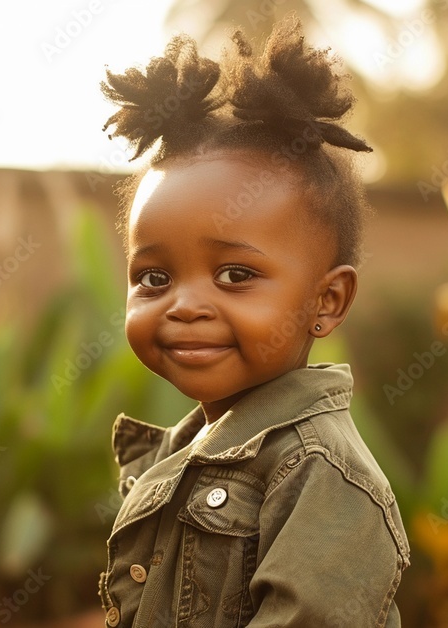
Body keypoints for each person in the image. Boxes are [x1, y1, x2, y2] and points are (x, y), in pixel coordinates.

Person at [96, 16, 410, 627]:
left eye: (236, 275)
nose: (184, 305)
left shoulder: (320, 476)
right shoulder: (187, 452)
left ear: (328, 300)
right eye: (154, 278)